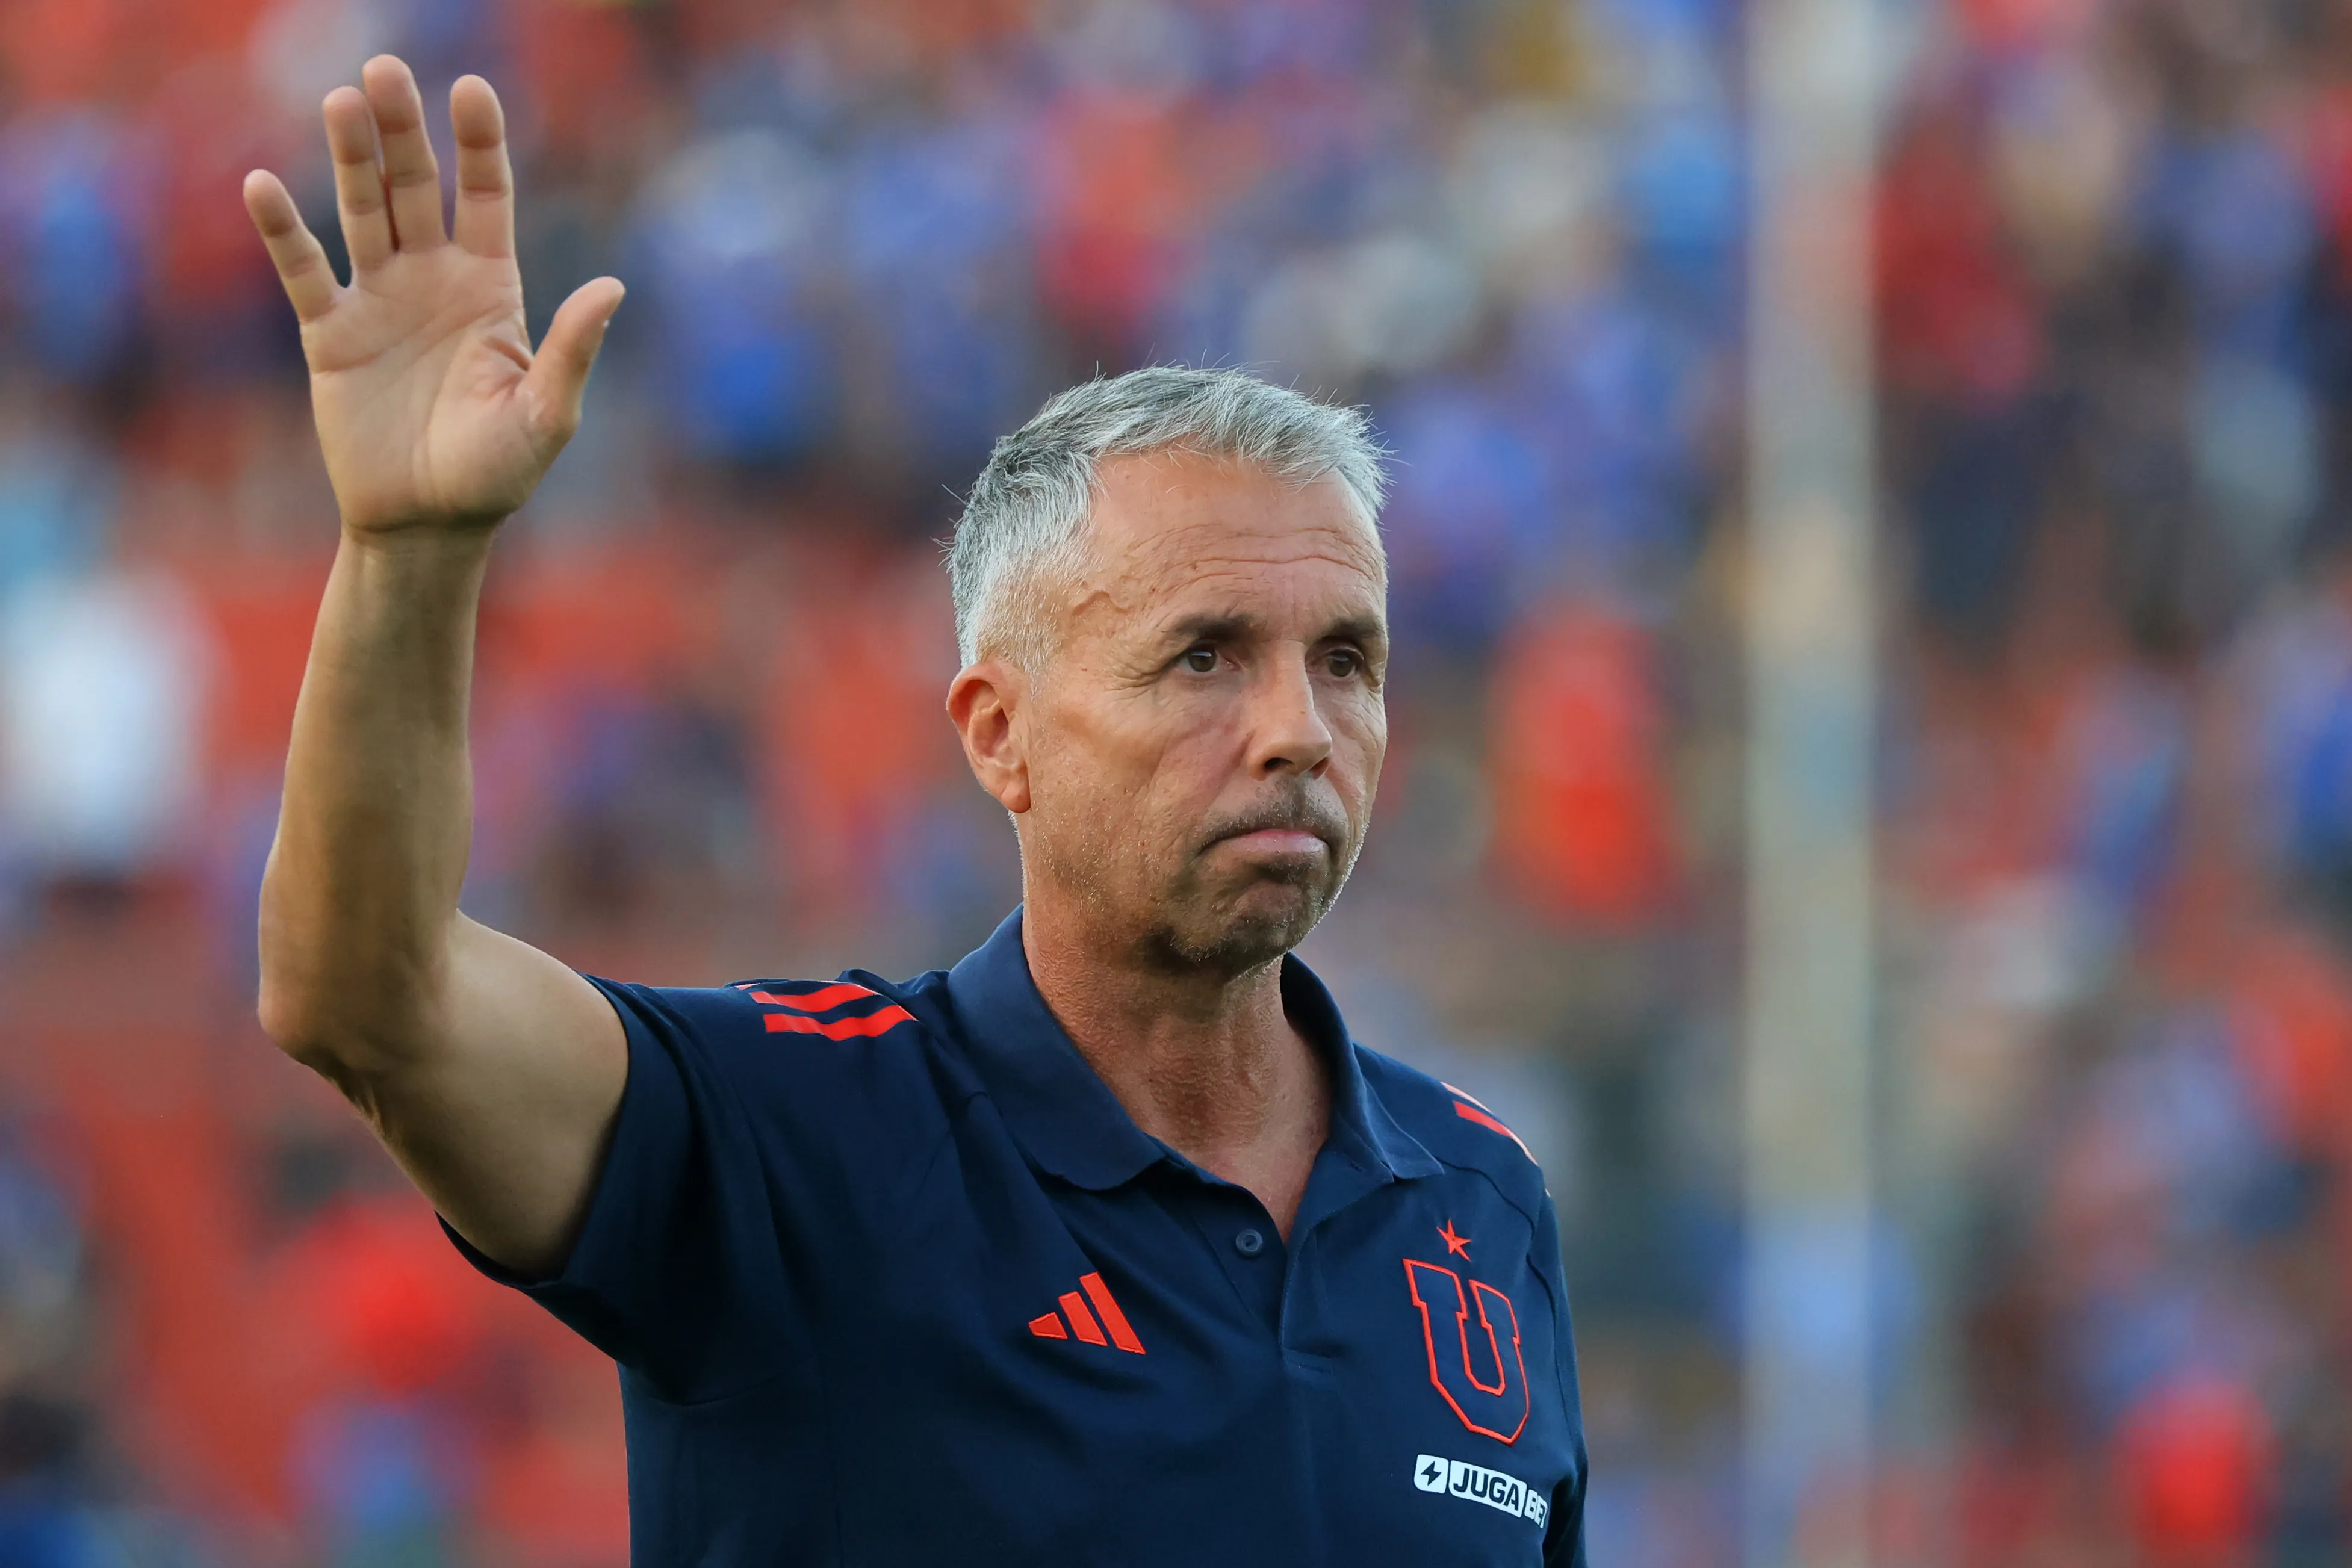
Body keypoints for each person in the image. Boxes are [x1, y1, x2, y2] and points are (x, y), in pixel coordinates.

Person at [243, 55, 1589, 1567]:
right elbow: (368, 997)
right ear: (999, 734)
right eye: (1203, 657)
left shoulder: (1476, 1192)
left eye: (1345, 659)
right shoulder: (798, 1132)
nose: (1298, 729)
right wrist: (411, 548)